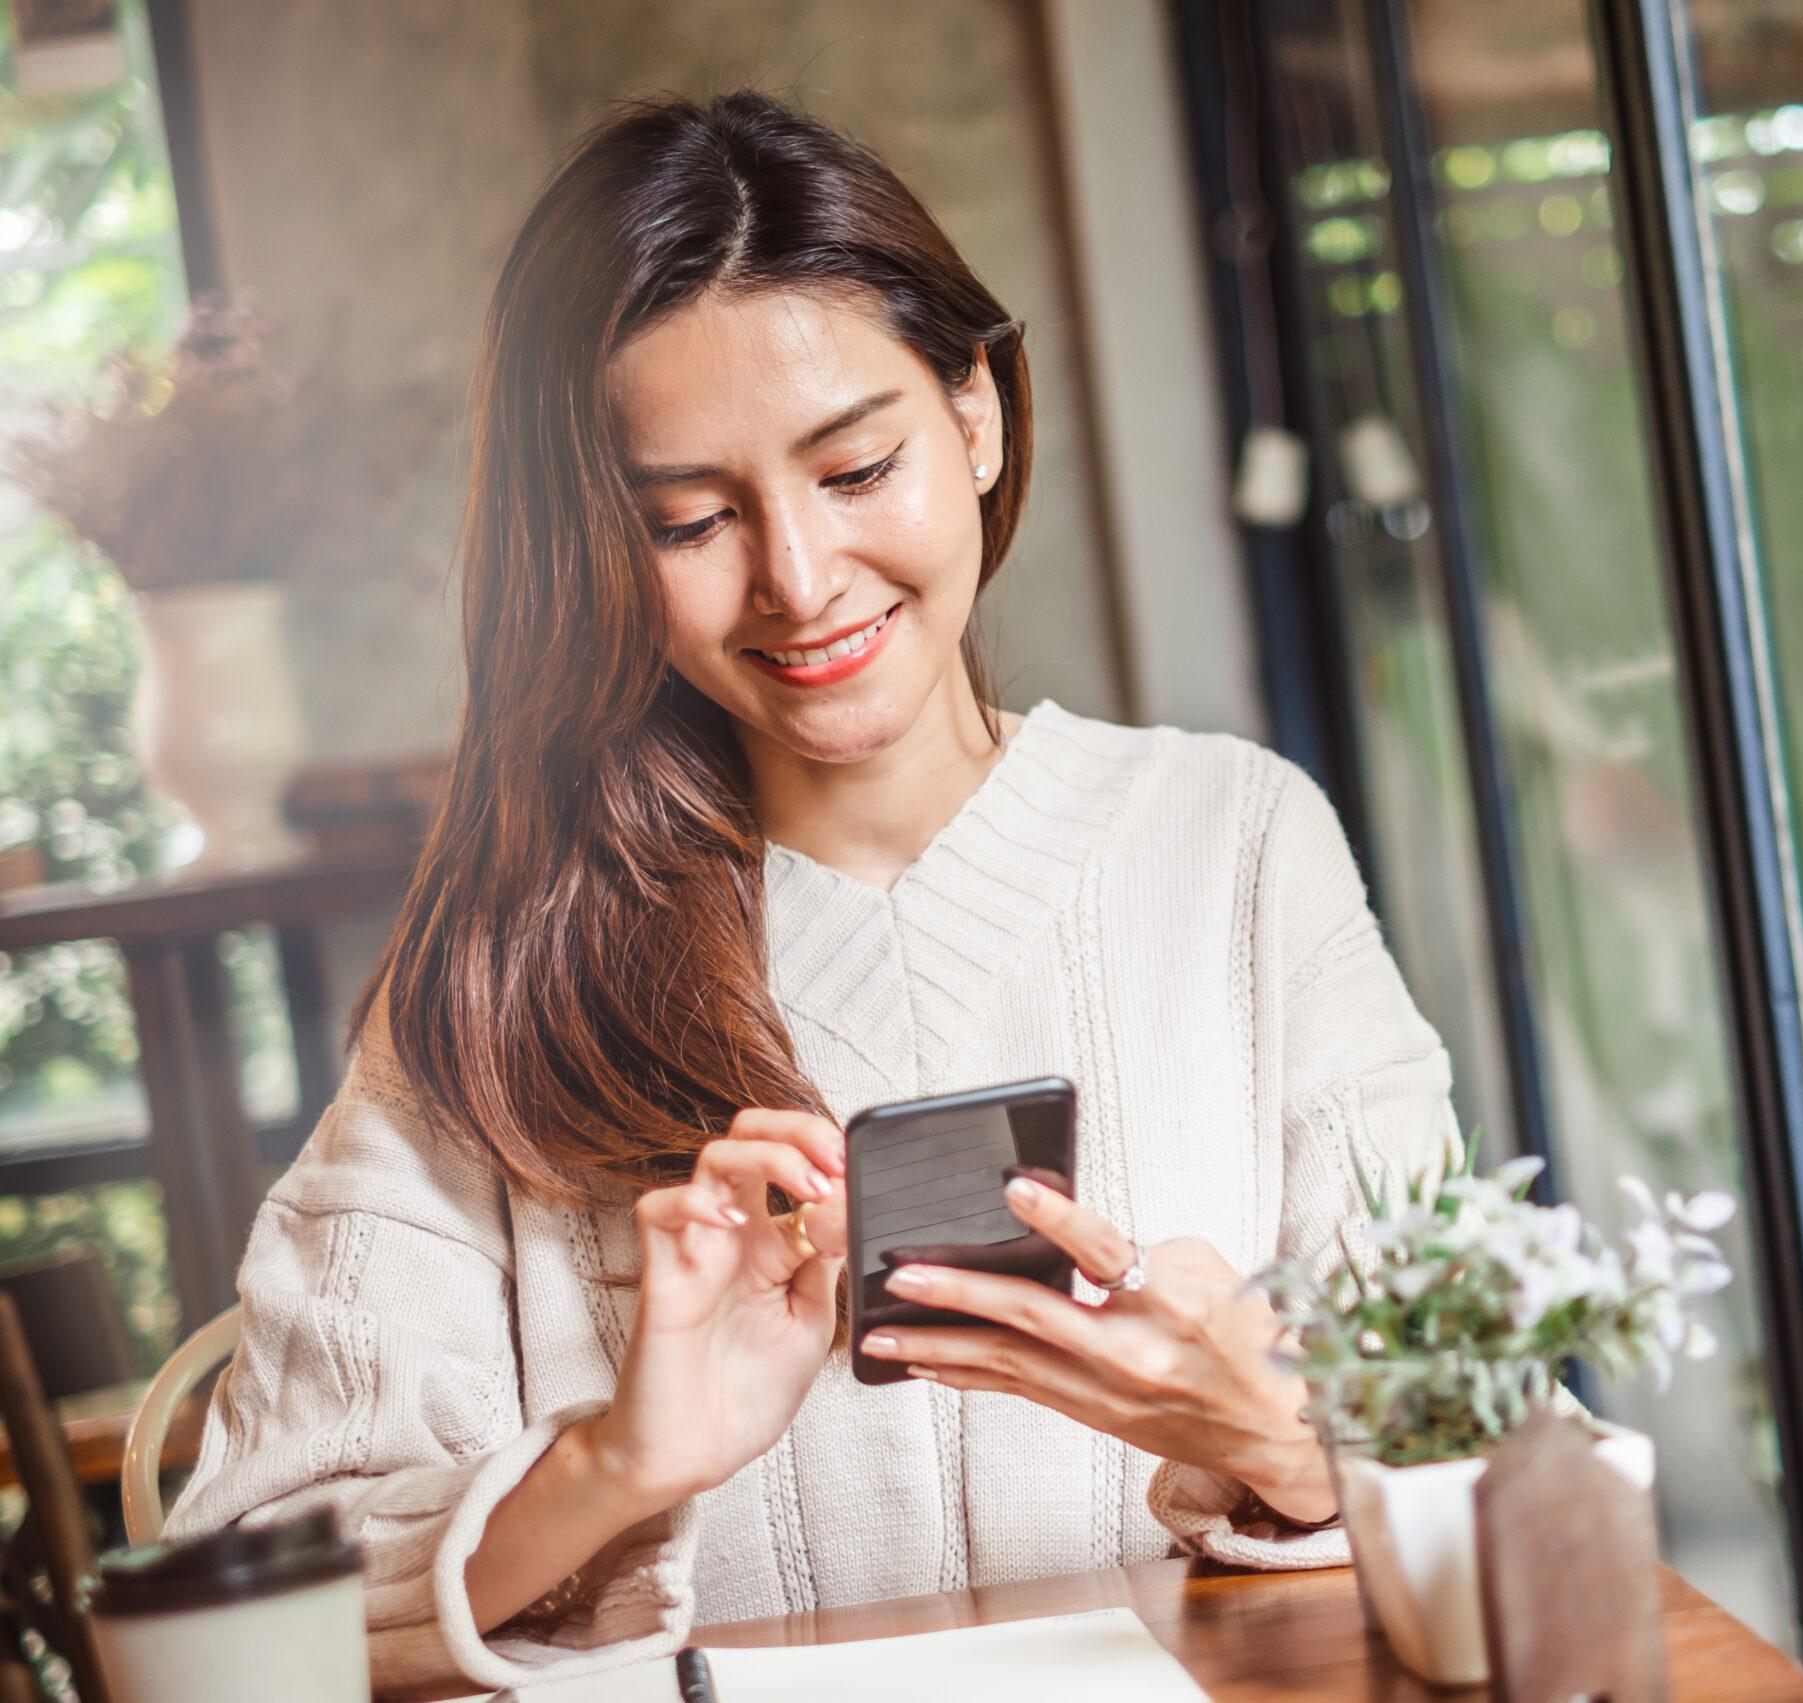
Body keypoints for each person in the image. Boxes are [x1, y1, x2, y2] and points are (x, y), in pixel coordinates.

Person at [162, 89, 1457, 1693]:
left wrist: (1277, 1434)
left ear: (975, 414)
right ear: (593, 548)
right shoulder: (505, 968)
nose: (796, 577)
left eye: (857, 468)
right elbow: (236, 1612)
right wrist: (615, 1463)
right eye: (690, 520)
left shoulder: (1238, 846)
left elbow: (1493, 1450)